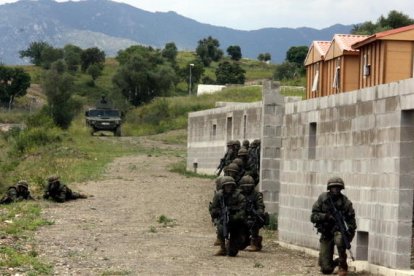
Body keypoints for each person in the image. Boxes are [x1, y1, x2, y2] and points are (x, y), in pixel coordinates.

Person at [310, 177, 357, 276]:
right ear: (329, 188)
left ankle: (342, 265)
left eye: (338, 187)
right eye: (333, 187)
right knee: (326, 269)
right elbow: (313, 216)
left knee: (340, 239)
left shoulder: (346, 203)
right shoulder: (323, 199)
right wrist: (326, 216)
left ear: (341, 189)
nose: (335, 189)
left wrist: (346, 232)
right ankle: (333, 261)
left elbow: (352, 224)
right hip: (326, 233)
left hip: (338, 232)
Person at [209, 176, 246, 256]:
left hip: (237, 222)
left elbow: (243, 210)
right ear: (223, 186)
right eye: (226, 185)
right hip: (224, 219)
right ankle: (222, 248)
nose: (228, 187)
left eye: (230, 185)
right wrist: (219, 213)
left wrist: (234, 217)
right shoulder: (219, 195)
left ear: (233, 186)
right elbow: (213, 208)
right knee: (221, 228)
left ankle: (232, 244)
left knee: (233, 252)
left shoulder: (239, 196)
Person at [239, 175, 267, 251]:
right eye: (245, 187)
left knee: (252, 221)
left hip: (252, 217)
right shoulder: (238, 194)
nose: (247, 189)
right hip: (241, 216)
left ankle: (255, 241)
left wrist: (256, 213)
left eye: (249, 187)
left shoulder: (257, 195)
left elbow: (261, 207)